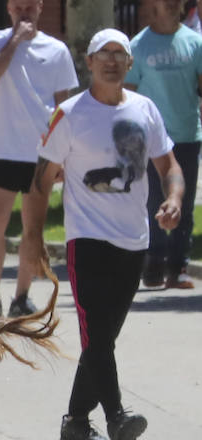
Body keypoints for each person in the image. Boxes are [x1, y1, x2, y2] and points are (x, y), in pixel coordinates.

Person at [23, 28, 183, 440]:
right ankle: (118, 419)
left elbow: (169, 165)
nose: (111, 60)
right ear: (89, 62)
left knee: (101, 340)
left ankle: (75, 423)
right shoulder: (69, 114)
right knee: (95, 335)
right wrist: (34, 238)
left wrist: (173, 198)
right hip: (87, 239)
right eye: (103, 54)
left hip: (134, 241)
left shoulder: (145, 109)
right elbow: (40, 182)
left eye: (119, 54)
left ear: (130, 64)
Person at [0, 0, 77, 316]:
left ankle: (22, 296)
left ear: (40, 8)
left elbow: (65, 107)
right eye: (18, 7)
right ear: (8, 8)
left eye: (30, 7)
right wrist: (16, 41)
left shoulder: (57, 50)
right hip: (3, 149)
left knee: (32, 228)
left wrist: (65, 155)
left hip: (42, 153)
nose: (24, 13)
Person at [126, 0, 202, 289]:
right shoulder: (138, 45)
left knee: (184, 203)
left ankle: (179, 266)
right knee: (153, 201)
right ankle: (154, 262)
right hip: (151, 141)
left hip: (187, 136)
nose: (171, 4)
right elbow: (128, 96)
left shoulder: (194, 43)